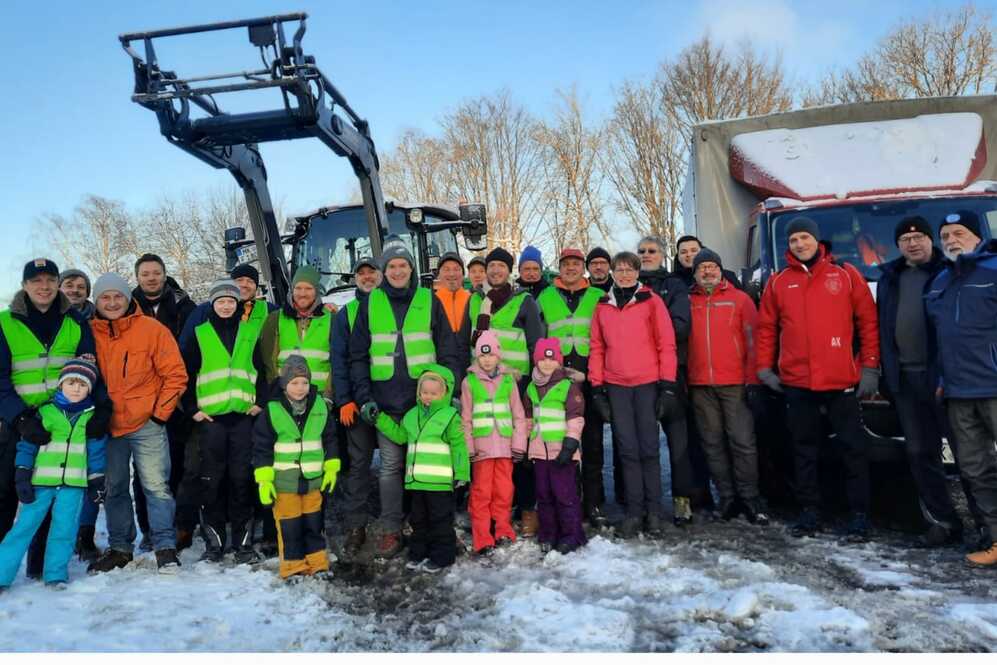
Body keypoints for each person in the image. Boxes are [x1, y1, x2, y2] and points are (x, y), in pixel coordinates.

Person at [756, 217, 880, 541]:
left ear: (816, 239)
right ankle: (810, 511)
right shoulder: (778, 282)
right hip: (797, 383)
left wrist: (869, 368)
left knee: (854, 450)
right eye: (794, 239)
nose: (799, 244)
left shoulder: (846, 274)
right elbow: (767, 329)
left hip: (842, 383)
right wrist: (764, 369)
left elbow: (868, 322)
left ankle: (860, 515)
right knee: (804, 451)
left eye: (804, 237)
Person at [351, 242, 461, 558]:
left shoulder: (429, 300)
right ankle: (391, 529)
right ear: (384, 273)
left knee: (429, 467)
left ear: (412, 269)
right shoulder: (371, 303)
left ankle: (430, 527)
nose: (398, 271)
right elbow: (357, 355)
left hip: (426, 406)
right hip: (385, 404)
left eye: (403, 265)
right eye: (392, 267)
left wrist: (448, 393)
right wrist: (364, 397)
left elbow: (447, 349)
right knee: (390, 468)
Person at [879, 217, 981, 548]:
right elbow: (882, 328)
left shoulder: (949, 270)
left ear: (930, 241)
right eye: (906, 239)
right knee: (920, 452)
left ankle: (985, 526)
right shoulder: (889, 278)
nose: (913, 243)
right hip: (906, 381)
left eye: (920, 236)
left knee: (968, 455)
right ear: (897, 245)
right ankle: (944, 522)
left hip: (947, 380)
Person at [87, 273, 188, 574]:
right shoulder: (88, 332)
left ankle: (165, 547)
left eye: (118, 296)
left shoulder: (151, 329)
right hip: (108, 426)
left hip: (147, 423)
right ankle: (120, 548)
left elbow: (175, 375)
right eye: (105, 297)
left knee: (156, 487)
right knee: (114, 487)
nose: (113, 302)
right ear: (97, 301)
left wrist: (160, 414)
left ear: (128, 298)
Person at [1, 258, 97, 544]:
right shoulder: (5, 323)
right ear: (24, 286)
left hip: (59, 419)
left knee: (49, 490)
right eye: (36, 281)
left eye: (49, 280)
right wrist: (19, 416)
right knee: (5, 491)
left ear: (58, 284)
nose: (43, 287)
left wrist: (95, 409)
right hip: (15, 420)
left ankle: (39, 563)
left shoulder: (76, 322)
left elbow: (90, 370)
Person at [925, 210, 997, 566]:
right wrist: (941, 380)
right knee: (974, 469)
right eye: (945, 236)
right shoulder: (939, 282)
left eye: (958, 233)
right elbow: (941, 340)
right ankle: (995, 538)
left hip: (993, 385)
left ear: (977, 235)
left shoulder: (994, 270)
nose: (951, 240)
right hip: (958, 392)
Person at [590, 251, 678, 538]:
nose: (625, 274)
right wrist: (597, 388)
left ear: (638, 273)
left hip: (647, 384)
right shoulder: (603, 305)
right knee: (626, 450)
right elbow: (597, 347)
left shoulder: (651, 301)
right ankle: (634, 511)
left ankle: (653, 511)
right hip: (616, 386)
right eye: (620, 269)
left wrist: (667, 385)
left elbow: (666, 344)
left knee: (649, 449)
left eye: (630, 269)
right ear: (612, 272)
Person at [0, 358, 106, 590]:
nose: (76, 388)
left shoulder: (91, 417)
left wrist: (96, 480)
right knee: (23, 528)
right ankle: (2, 574)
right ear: (61, 385)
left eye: (82, 384)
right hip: (41, 483)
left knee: (64, 531)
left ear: (90, 388)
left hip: (73, 486)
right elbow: (28, 446)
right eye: (71, 383)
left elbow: (96, 452)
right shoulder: (45, 412)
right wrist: (22, 473)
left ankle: (55, 574)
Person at [181, 279, 267, 563]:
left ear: (238, 303)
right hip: (212, 420)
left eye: (231, 301)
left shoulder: (250, 332)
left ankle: (244, 545)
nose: (226, 306)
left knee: (242, 480)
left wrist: (259, 404)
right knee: (212, 482)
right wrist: (191, 408)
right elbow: (187, 374)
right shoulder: (200, 333)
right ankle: (214, 544)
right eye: (221, 301)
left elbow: (261, 371)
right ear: (212, 305)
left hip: (242, 419)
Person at [466, 247, 544, 537]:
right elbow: (467, 342)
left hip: (516, 388)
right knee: (486, 451)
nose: (495, 271)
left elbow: (537, 345)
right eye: (491, 266)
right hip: (482, 388)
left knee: (520, 451)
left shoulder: (524, 301)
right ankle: (489, 513)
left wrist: (534, 386)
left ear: (509, 271)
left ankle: (526, 509)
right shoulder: (475, 301)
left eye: (501, 266)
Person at [686, 249, 767, 524]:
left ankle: (750, 498)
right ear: (695, 273)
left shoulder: (739, 299)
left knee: (743, 442)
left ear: (720, 270)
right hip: (700, 385)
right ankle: (727, 497)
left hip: (734, 382)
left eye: (712, 266)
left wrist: (752, 379)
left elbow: (754, 343)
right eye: (702, 268)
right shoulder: (687, 301)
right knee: (712, 444)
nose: (707, 271)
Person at [536, 248, 608, 527]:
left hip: (590, 376)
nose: (570, 269)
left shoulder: (597, 296)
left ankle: (594, 503)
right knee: (562, 443)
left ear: (583, 268)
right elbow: (539, 338)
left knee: (592, 442)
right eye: (565, 264)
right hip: (557, 381)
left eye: (576, 264)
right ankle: (569, 501)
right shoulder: (545, 297)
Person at [373, 364, 469, 573]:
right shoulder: (411, 415)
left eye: (434, 393)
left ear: (444, 393)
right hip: (416, 482)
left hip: (440, 484)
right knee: (418, 520)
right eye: (424, 392)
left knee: (440, 521)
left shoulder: (450, 416)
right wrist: (379, 419)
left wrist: (461, 473)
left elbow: (459, 446)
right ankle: (418, 553)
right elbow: (399, 435)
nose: (428, 396)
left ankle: (442, 557)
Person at [131, 253, 197, 551]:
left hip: (177, 397)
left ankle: (182, 525)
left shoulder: (185, 305)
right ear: (138, 277)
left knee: (180, 465)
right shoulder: (126, 306)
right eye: (145, 274)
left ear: (164, 274)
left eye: (156, 273)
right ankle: (149, 528)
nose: (151, 278)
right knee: (146, 470)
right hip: (141, 399)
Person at [252, 355, 339, 579]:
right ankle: (293, 568)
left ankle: (318, 564)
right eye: (294, 383)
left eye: (305, 382)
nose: (300, 388)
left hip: (313, 479)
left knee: (314, 524)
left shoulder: (320, 406)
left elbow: (330, 438)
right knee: (290, 527)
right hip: (284, 481)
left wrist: (331, 468)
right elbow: (262, 448)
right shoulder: (271, 410)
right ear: (284, 384)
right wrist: (264, 480)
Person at [637, 235, 699, 525]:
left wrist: (645, 338)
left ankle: (682, 500)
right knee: (641, 442)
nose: (646, 255)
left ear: (662, 255)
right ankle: (644, 502)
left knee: (679, 440)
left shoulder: (673, 285)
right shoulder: (629, 286)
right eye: (641, 251)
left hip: (672, 371)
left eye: (651, 251)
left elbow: (681, 325)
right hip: (640, 374)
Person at [334, 257, 385, 558]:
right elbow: (338, 360)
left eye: (371, 272)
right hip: (358, 402)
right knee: (358, 467)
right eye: (361, 273)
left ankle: (401, 520)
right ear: (355, 279)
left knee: (397, 465)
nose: (367, 277)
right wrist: (344, 400)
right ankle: (356, 526)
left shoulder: (392, 306)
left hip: (391, 400)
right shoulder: (346, 314)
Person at [460, 331, 527, 555]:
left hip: (506, 447)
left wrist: (519, 444)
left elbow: (518, 414)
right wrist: (468, 447)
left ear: (498, 356)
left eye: (491, 355)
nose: (487, 360)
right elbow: (466, 419)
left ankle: (503, 529)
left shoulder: (508, 381)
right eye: (482, 355)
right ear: (477, 357)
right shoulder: (468, 383)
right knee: (481, 492)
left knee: (505, 490)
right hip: (482, 449)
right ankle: (482, 536)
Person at [524, 339, 587, 554]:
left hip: (562, 452)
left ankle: (572, 535)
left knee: (565, 495)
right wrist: (526, 444)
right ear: (536, 361)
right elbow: (529, 419)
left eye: (552, 359)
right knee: (544, 495)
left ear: (559, 362)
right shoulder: (532, 387)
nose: (547, 363)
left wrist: (570, 445)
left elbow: (576, 418)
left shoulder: (568, 387)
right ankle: (549, 534)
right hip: (540, 453)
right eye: (543, 358)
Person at [260, 265, 334, 397]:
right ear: (292, 290)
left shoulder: (332, 318)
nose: (303, 293)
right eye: (298, 288)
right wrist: (277, 393)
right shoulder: (275, 318)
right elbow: (269, 361)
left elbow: (337, 362)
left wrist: (329, 396)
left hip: (320, 397)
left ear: (316, 291)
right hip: (285, 397)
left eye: (308, 288)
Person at [435, 251, 472, 361]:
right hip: (441, 368)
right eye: (446, 269)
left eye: (456, 269)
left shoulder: (472, 300)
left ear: (462, 273)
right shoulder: (431, 302)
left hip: (472, 367)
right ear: (439, 274)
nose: (452, 274)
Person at [672, 235, 743, 290]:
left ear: (703, 251)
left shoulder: (727, 276)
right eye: (683, 252)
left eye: (694, 250)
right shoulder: (671, 281)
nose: (689, 255)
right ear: (678, 256)